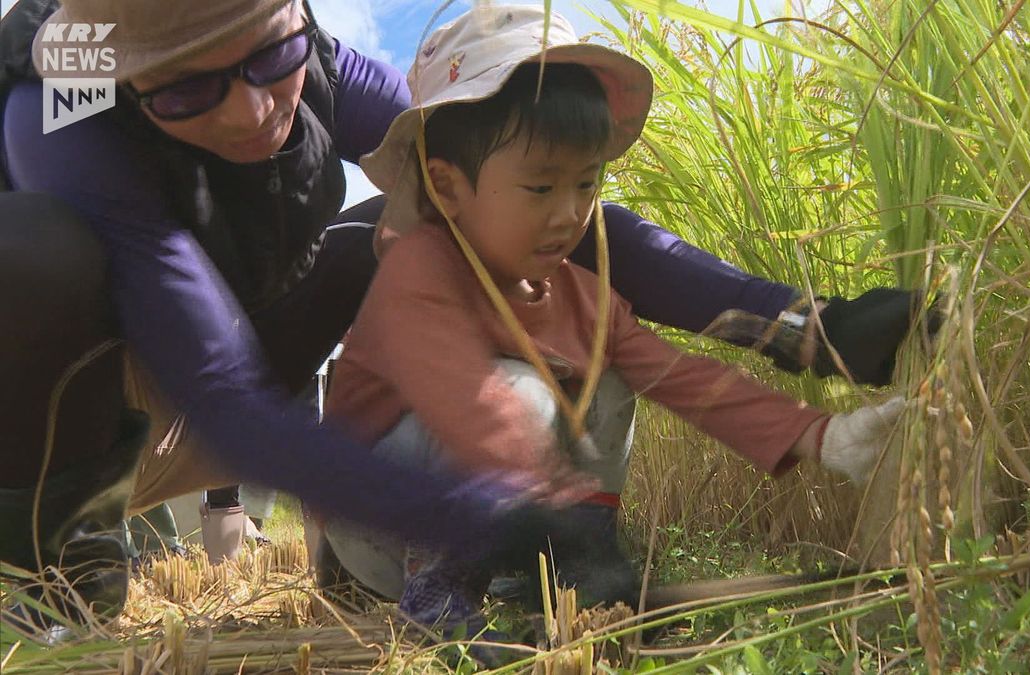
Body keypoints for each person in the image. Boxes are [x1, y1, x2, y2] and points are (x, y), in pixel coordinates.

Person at [0, 0, 931, 625]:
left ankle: (367, 552)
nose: (252, 112)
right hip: (116, 408)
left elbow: (519, 190)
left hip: (251, 369)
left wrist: (802, 326)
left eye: (270, 58)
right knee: (30, 251)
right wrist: (478, 514)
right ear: (124, 80)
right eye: (190, 91)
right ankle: (54, 554)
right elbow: (222, 395)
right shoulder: (61, 122)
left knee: (440, 217)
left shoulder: (321, 71)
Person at [320, 4, 909, 643]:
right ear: (448, 187)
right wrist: (556, 519)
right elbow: (469, 403)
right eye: (541, 189)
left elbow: (683, 377)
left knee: (609, 382)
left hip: (507, 510)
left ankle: (556, 579)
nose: (570, 213)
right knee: (520, 390)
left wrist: (821, 437)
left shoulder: (585, 296)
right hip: (371, 521)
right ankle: (442, 588)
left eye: (587, 183)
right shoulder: (419, 271)